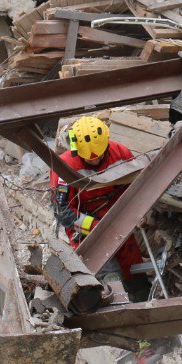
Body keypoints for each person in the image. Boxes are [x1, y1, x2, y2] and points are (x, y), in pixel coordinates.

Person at [51, 116, 138, 302]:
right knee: (110, 278)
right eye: (89, 158)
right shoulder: (64, 167)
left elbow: (137, 187)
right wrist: (97, 227)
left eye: (99, 155)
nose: (95, 160)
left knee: (135, 275)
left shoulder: (120, 153)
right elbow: (62, 211)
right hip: (88, 231)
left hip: (122, 225)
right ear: (76, 148)